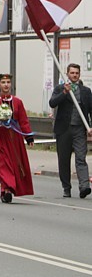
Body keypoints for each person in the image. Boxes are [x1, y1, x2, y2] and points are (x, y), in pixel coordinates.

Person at [0, 73, 34, 203]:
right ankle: (6, 189)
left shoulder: (17, 102)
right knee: (3, 163)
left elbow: (23, 120)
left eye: (8, 82)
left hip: (14, 136)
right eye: (3, 82)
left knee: (14, 163)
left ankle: (7, 189)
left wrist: (28, 136)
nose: (6, 85)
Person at [49, 63, 92, 198]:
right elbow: (52, 103)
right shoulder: (60, 88)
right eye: (72, 73)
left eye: (76, 73)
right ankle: (66, 187)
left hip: (79, 129)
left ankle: (84, 186)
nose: (74, 75)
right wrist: (64, 93)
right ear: (67, 74)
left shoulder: (86, 91)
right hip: (64, 129)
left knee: (81, 157)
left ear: (79, 75)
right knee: (64, 159)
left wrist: (90, 127)